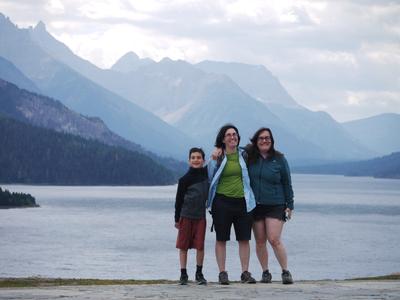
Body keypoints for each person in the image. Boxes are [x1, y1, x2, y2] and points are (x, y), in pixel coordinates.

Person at [207, 124, 256, 285]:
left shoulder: (244, 154)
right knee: (221, 239)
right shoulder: (218, 156)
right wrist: (213, 158)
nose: (232, 137)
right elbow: (209, 176)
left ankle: (245, 273)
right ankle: (222, 273)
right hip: (221, 202)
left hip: (243, 202)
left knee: (244, 239)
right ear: (223, 139)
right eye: (228, 135)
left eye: (235, 134)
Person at [246, 127, 294, 284]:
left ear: (272, 141)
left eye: (267, 138)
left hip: (276, 204)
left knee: (274, 239)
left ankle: (285, 271)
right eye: (261, 138)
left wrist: (290, 204)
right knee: (260, 241)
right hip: (256, 205)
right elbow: (235, 147)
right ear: (256, 141)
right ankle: (265, 272)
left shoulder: (280, 159)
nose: (264, 140)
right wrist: (219, 147)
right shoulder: (249, 157)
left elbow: (287, 182)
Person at [174, 147, 209, 285]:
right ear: (189, 160)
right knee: (183, 246)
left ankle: (199, 273)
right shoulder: (184, 180)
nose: (196, 160)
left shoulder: (206, 175)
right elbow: (178, 201)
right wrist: (177, 219)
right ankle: (183, 274)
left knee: (200, 246)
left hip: (200, 217)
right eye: (193, 157)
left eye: (198, 157)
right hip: (185, 216)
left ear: (203, 160)